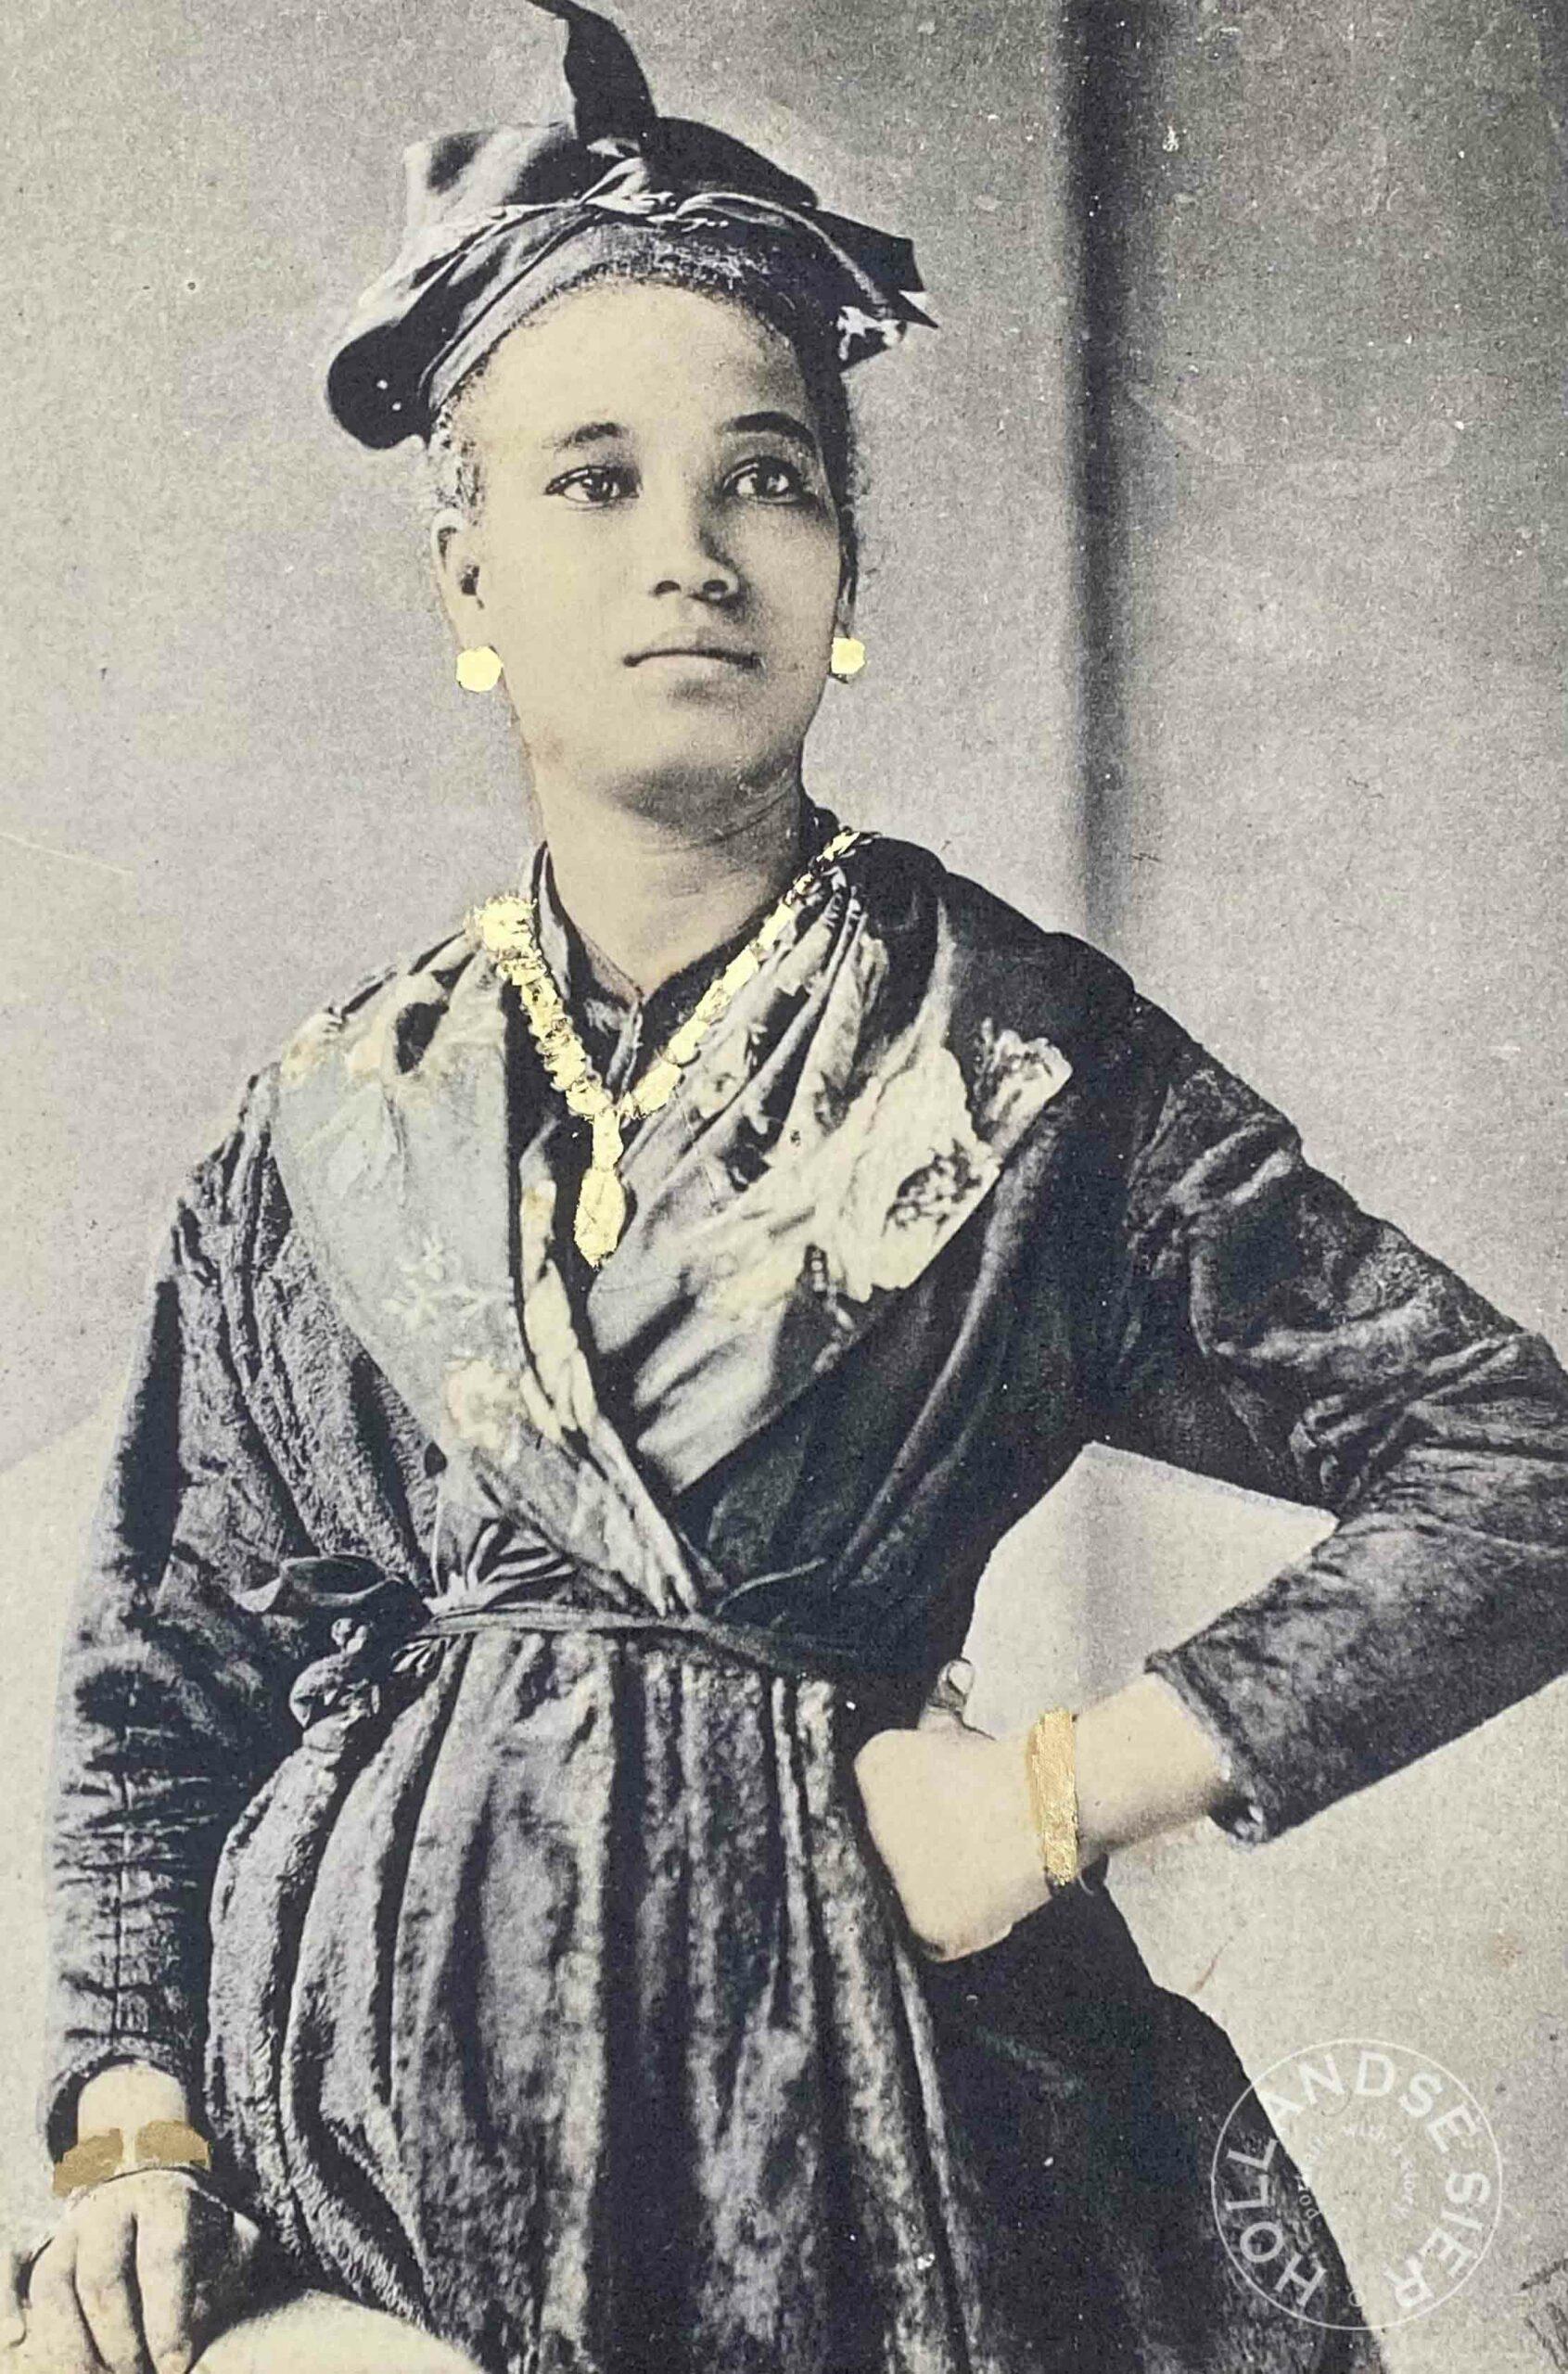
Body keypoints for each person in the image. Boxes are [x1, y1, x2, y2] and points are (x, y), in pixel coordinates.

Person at [15, 4, 1568, 2369]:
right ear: (464, 579)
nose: (691, 555)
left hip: (865, 2159)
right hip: (358, 2204)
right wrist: (127, 2113)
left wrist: (1063, 1788)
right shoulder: (317, 1128)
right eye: (591, 481)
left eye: (765, 476)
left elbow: (1519, 1460)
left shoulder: (1025, 1062)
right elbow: (161, 1687)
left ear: (840, 562)